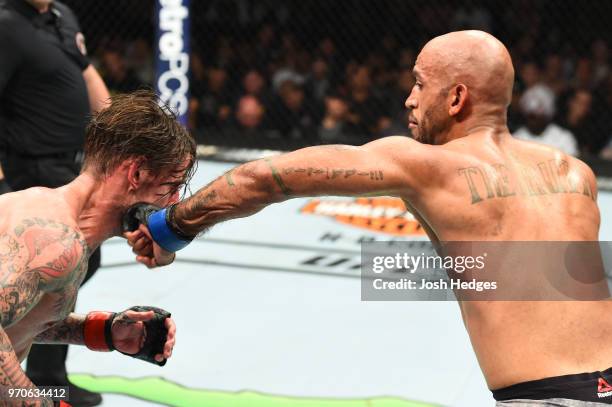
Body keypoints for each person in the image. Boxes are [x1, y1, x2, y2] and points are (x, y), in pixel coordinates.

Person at [127, 31, 612, 406]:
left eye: (421, 84)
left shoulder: (426, 165)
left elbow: (264, 178)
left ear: (457, 98)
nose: (409, 99)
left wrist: (172, 226)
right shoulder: (575, 173)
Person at [0, 90, 193, 405]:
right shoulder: (55, 238)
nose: (175, 202)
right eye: (171, 187)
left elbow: (18, 320)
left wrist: (105, 331)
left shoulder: (57, 225)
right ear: (137, 173)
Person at [0, 0, 110, 403]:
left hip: (74, 166)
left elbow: (83, 69)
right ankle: (28, 383)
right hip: (30, 171)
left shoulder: (61, 17)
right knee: (45, 270)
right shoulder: (6, 24)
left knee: (74, 266)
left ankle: (48, 375)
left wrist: (116, 135)